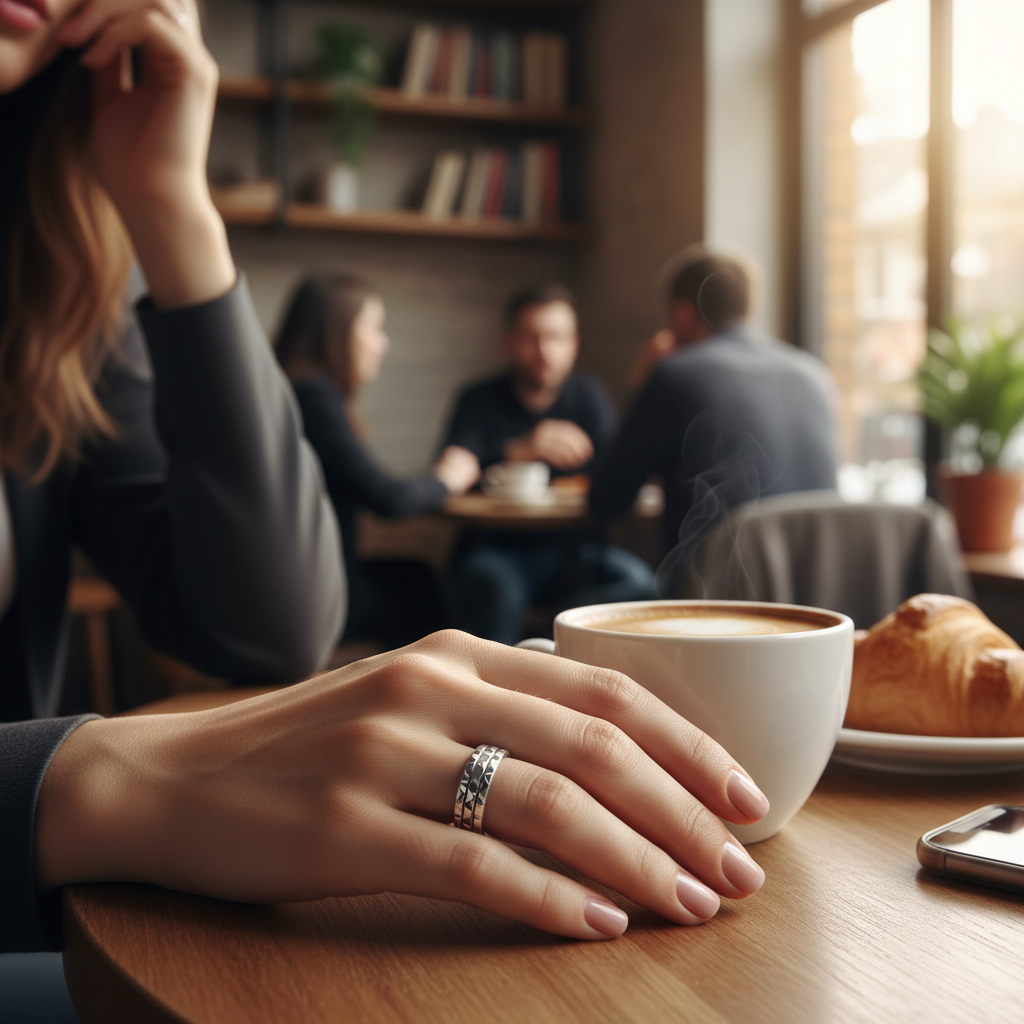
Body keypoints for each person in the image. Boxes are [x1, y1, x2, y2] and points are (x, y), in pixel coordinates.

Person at [2, 0, 768, 976]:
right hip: (30, 926)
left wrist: (171, 203)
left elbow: (266, 631)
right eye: (373, 332)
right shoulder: (444, 397)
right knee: (475, 591)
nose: (383, 346)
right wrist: (86, 784)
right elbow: (401, 493)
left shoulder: (50, 306)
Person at [589, 248, 838, 582]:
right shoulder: (814, 375)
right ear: (747, 308)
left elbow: (607, 500)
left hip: (715, 603)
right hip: (813, 594)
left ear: (683, 314)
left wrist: (641, 386)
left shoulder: (675, 374)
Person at [442, 284, 655, 644]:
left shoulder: (589, 397)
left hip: (578, 552)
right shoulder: (478, 399)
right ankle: (496, 694)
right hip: (497, 550)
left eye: (557, 338)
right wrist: (517, 450)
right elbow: (446, 476)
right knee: (493, 587)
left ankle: (553, 647)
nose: (545, 352)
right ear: (507, 342)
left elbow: (619, 474)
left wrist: (645, 392)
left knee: (642, 585)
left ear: (574, 344)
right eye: (531, 338)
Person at [276, 274, 480, 648]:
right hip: (311, 595)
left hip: (305, 581)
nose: (382, 344)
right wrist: (446, 480)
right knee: (426, 599)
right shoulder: (312, 397)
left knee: (418, 577)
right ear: (337, 333)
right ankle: (430, 694)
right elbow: (386, 497)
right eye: (373, 329)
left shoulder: (298, 392)